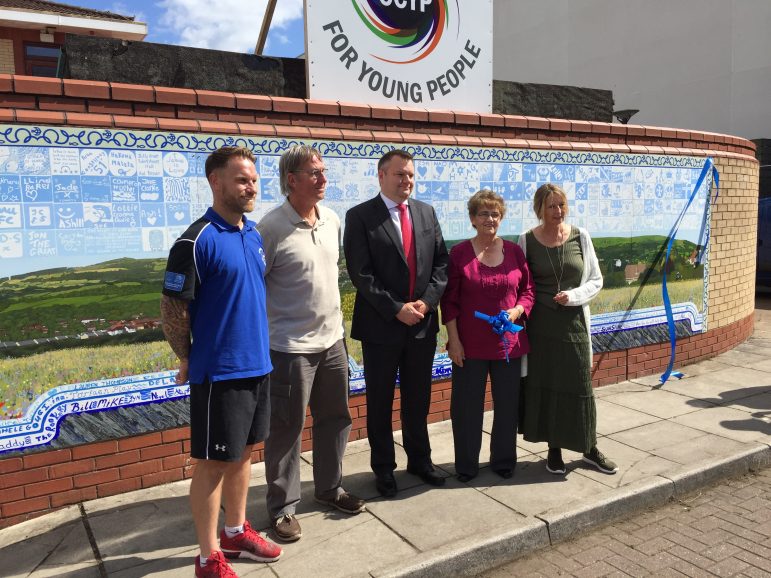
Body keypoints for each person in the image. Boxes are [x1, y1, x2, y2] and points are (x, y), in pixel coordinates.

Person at [161, 146, 282, 578]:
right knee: (213, 462)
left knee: (244, 454)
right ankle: (207, 557)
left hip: (257, 365)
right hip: (219, 372)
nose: (251, 188)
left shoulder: (251, 233)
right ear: (216, 182)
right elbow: (173, 309)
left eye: (253, 180)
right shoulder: (195, 241)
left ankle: (236, 531)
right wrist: (187, 358)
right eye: (241, 180)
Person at [257, 145, 364, 543]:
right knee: (286, 427)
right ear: (292, 180)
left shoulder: (332, 219)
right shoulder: (270, 228)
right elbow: (255, 288)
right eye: (315, 172)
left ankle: (329, 488)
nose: (323, 179)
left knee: (336, 418)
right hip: (288, 348)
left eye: (324, 171)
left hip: (332, 343)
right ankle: (283, 508)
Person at [343, 149, 449, 497]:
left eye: (411, 175)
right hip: (381, 327)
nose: (407, 181)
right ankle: (384, 468)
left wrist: (427, 301)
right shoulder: (360, 217)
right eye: (400, 174)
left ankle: (420, 460)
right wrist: (395, 308)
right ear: (381, 176)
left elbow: (441, 266)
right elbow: (361, 273)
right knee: (380, 402)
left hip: (421, 325)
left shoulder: (426, 212)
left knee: (418, 398)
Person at [518, 183, 618, 475]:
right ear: (540, 209)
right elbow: (522, 284)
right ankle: (554, 450)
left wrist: (573, 296)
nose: (557, 211)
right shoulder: (527, 240)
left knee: (579, 386)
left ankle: (589, 447)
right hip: (540, 327)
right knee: (547, 386)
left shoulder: (580, 236)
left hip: (573, 324)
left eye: (561, 205)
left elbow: (596, 280)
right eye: (551, 206)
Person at [441, 189, 535, 482]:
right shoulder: (458, 254)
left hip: (508, 344)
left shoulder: (515, 252)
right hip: (469, 345)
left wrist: (517, 311)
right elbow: (450, 302)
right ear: (472, 218)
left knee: (507, 406)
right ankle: (466, 465)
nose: (490, 219)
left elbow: (528, 291)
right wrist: (453, 341)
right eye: (483, 213)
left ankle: (504, 460)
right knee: (467, 408)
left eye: (495, 214)